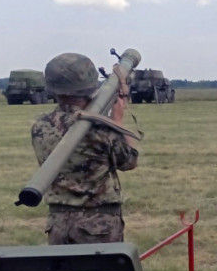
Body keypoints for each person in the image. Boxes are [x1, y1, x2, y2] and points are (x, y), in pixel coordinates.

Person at [31, 52, 139, 245]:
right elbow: (129, 161)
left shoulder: (40, 125)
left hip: (58, 225)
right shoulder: (100, 127)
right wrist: (118, 120)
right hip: (98, 226)